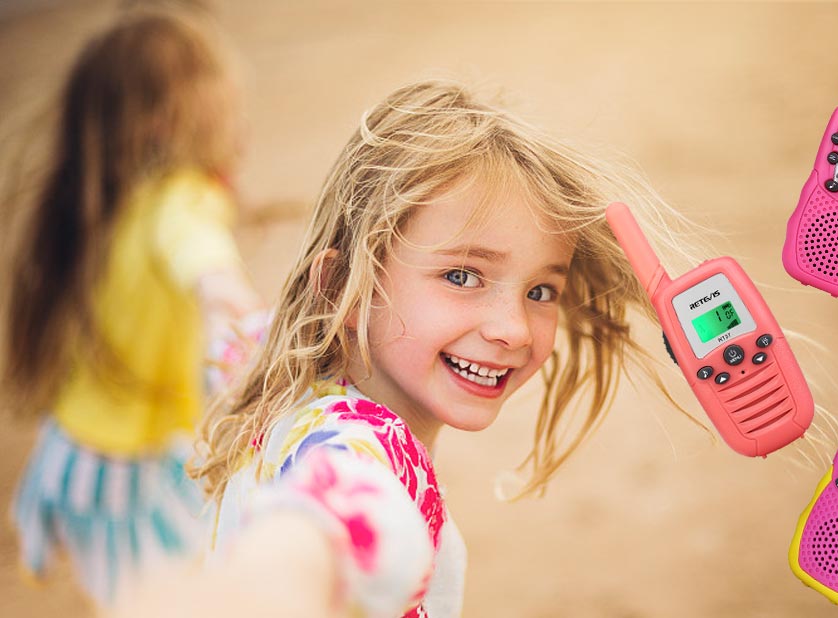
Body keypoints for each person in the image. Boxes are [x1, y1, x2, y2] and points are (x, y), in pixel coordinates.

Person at [136, 79, 712, 618]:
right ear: (344, 287)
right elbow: (337, 507)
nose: (512, 329)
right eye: (463, 276)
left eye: (541, 291)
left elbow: (234, 327)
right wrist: (283, 571)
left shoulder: (273, 367)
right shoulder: (369, 448)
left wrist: (213, 279)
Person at [0, 7, 260, 607]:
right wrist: (238, 305)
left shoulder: (108, 200)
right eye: (227, 109)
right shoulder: (179, 202)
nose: (240, 126)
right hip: (122, 469)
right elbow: (200, 256)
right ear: (169, 122)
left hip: (80, 449)